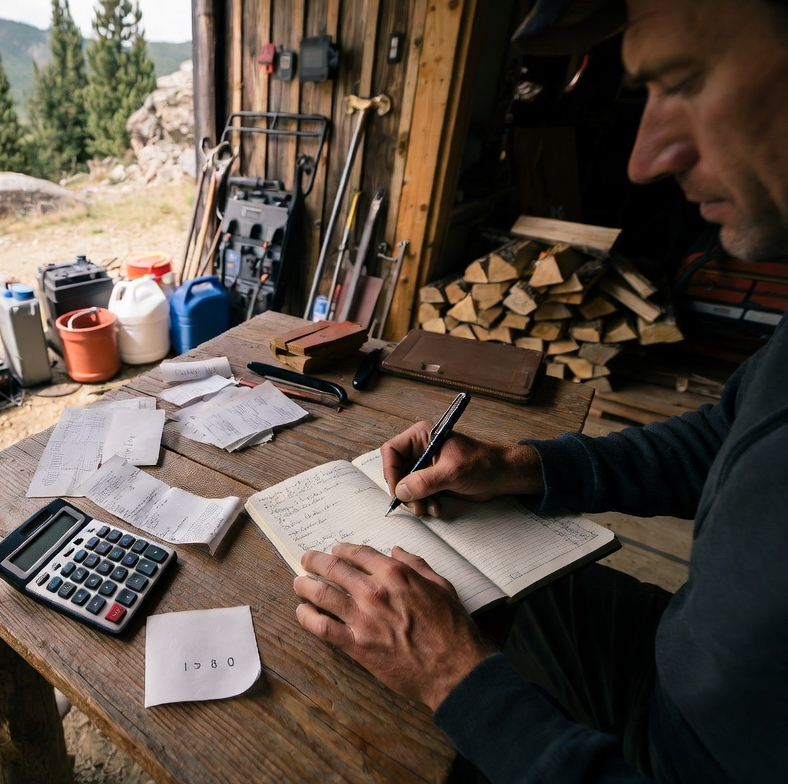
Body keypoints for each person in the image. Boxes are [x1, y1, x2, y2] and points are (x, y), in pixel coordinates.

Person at [291, 0, 788, 781]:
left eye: (684, 80)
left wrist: (453, 680)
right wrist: (524, 465)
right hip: (678, 663)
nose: (643, 157)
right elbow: (724, 434)